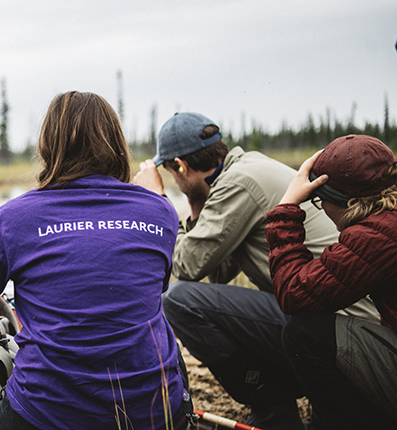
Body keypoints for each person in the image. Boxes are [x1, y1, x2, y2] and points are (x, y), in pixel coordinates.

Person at [0, 91, 192, 430]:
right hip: (154, 411)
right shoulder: (159, 211)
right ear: (117, 143)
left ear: (47, 146)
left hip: (46, 413)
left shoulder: (15, 217)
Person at [133, 112, 378, 429]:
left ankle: (273, 407)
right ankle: (281, 403)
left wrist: (159, 199)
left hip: (337, 326)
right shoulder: (246, 168)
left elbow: (184, 266)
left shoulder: (239, 184)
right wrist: (196, 206)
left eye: (169, 171)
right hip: (332, 319)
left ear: (179, 166)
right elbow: (216, 274)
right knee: (188, 298)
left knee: (179, 300)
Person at [267, 134, 397, 429]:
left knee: (304, 334)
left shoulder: (378, 235)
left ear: (346, 201)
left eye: (318, 200)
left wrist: (287, 207)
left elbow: (292, 294)